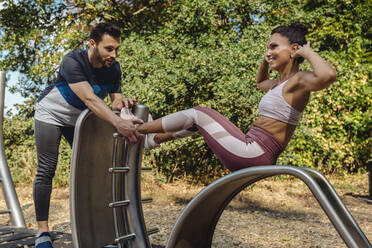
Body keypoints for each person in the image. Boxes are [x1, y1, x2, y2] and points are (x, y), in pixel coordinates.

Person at [136, 22, 337, 172]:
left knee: (200, 113)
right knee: (201, 123)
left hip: (255, 152)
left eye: (273, 47)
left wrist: (307, 52)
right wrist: (266, 60)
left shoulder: (299, 81)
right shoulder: (279, 84)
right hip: (251, 147)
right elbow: (260, 83)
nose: (268, 52)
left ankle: (138, 129)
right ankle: (154, 139)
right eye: (267, 48)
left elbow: (328, 75)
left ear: (294, 49)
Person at [33, 23, 143, 247]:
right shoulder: (73, 61)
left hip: (80, 120)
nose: (114, 54)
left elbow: (114, 102)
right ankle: (42, 233)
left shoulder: (114, 68)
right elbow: (90, 99)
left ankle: (101, 231)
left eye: (116, 49)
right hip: (50, 114)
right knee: (47, 169)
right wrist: (118, 123)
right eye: (109, 48)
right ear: (93, 44)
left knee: (96, 170)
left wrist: (123, 105)